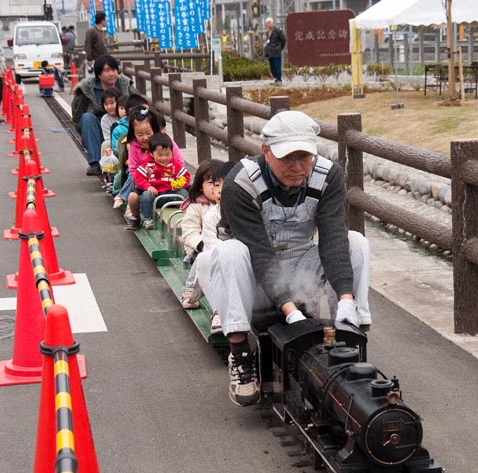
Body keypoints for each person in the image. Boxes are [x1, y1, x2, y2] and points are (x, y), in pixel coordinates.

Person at [210, 110, 371, 406]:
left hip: (300, 267)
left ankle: (348, 339)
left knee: (355, 243)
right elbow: (258, 253)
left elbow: (333, 238)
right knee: (229, 251)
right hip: (252, 277)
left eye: (304, 158)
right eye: (287, 159)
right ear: (266, 151)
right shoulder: (240, 183)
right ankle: (240, 354)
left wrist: (346, 298)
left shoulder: (329, 176)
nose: (297, 168)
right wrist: (291, 312)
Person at [179, 159, 231, 335]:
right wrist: (200, 244)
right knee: (203, 260)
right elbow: (188, 231)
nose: (216, 190)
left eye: (221, 184)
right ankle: (190, 290)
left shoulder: (229, 207)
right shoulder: (197, 207)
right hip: (198, 248)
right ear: (201, 186)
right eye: (212, 184)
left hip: (219, 248)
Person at [71, 54, 141, 176]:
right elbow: (77, 115)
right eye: (107, 71)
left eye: (114, 70)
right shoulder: (86, 88)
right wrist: (85, 134)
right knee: (87, 117)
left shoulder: (125, 85)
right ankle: (95, 164)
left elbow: (138, 104)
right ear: (98, 74)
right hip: (96, 128)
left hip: (122, 126)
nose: (111, 74)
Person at [126, 130, 189, 231]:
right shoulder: (148, 165)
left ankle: (184, 214)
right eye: (160, 155)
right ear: (151, 154)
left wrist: (180, 184)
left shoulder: (174, 164)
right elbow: (138, 177)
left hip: (171, 194)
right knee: (146, 196)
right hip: (155, 195)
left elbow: (185, 176)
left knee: (184, 193)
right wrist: (147, 186)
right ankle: (148, 218)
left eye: (167, 154)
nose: (164, 158)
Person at [263, 18, 286, 85]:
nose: (268, 24)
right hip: (270, 52)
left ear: (272, 23)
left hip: (276, 51)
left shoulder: (277, 30)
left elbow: (283, 39)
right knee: (272, 66)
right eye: (267, 23)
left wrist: (279, 47)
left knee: (277, 66)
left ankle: (279, 80)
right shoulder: (267, 32)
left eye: (269, 23)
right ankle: (275, 78)